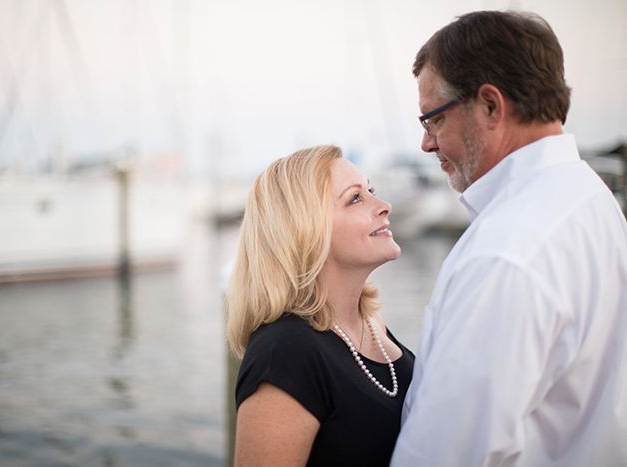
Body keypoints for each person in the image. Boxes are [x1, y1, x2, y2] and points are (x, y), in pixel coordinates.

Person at [391, 10, 627, 467]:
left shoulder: (506, 252)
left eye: (432, 119)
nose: (426, 144)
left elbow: (446, 454)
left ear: (491, 106)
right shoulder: (594, 203)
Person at [227, 145, 414, 466]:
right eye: (356, 198)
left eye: (371, 191)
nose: (384, 206)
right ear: (306, 229)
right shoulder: (284, 352)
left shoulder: (371, 321)